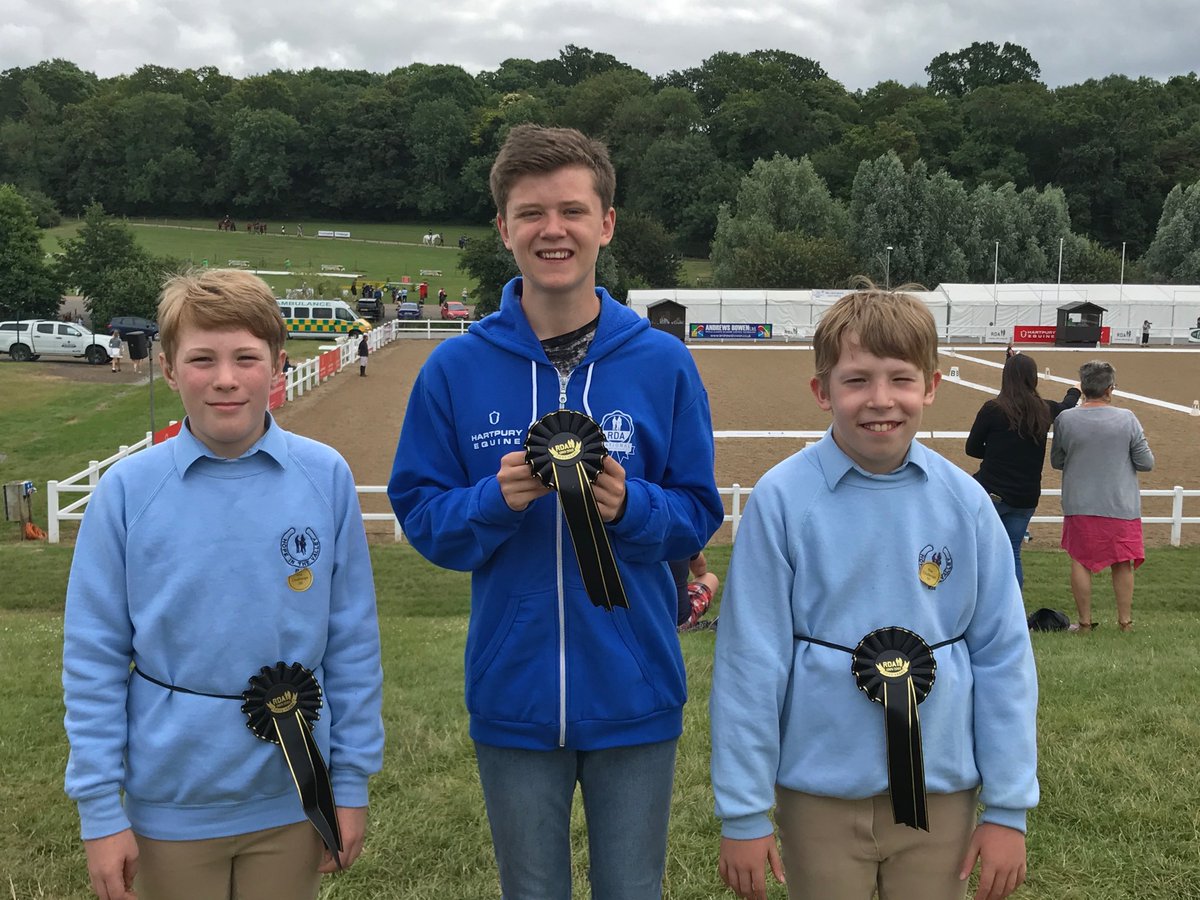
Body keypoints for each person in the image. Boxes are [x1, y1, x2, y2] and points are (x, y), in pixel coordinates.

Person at [389, 124, 724, 899]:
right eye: (531, 212)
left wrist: (632, 506)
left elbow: (698, 511)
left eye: (572, 210)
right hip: (513, 695)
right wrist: (493, 501)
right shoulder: (454, 368)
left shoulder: (664, 363)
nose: (553, 229)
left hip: (637, 692)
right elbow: (423, 517)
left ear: (606, 223)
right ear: (503, 228)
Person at [63, 268, 385, 900]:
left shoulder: (325, 476)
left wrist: (349, 782)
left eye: (246, 357)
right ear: (168, 368)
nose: (226, 379)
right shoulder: (126, 492)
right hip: (171, 802)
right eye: (202, 359)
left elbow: (352, 642)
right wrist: (100, 808)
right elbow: (93, 658)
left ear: (279, 365)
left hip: (293, 796)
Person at [711, 286, 1038, 900]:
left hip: (942, 791)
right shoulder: (781, 500)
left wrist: (1007, 807)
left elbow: (1003, 656)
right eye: (857, 380)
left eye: (900, 379)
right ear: (822, 390)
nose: (881, 400)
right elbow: (750, 661)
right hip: (817, 791)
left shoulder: (966, 503)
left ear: (931, 386)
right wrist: (744, 810)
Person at [1050, 360, 1154, 632]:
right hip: (1120, 503)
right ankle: (1125, 622)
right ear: (1110, 389)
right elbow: (1146, 462)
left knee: (1079, 560)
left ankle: (1085, 623)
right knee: (1122, 562)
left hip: (1079, 502)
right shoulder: (1127, 418)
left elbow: (1057, 461)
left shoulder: (1065, 419)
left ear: (1083, 388)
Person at [965, 353, 1081, 588]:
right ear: (1033, 378)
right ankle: (1013, 604)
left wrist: (996, 453)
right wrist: (1075, 390)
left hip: (992, 493)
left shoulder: (992, 409)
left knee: (979, 551)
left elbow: (972, 448)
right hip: (1025, 497)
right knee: (1013, 551)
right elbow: (1066, 406)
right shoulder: (1044, 409)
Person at [670, 550, 719, 632]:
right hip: (679, 621)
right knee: (710, 578)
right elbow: (700, 568)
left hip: (648, 617)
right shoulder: (683, 543)